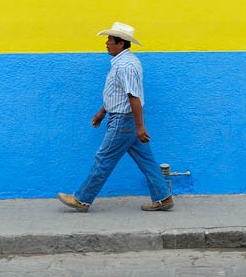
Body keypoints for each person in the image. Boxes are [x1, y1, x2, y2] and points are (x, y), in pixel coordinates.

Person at [57, 21, 173, 213]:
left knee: (103, 159)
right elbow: (118, 93)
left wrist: (140, 126)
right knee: (146, 160)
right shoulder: (125, 62)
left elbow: (133, 97)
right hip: (124, 119)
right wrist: (102, 112)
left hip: (123, 121)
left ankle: (82, 199)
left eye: (110, 40)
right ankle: (163, 196)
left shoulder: (125, 66)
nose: (107, 43)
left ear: (121, 43)